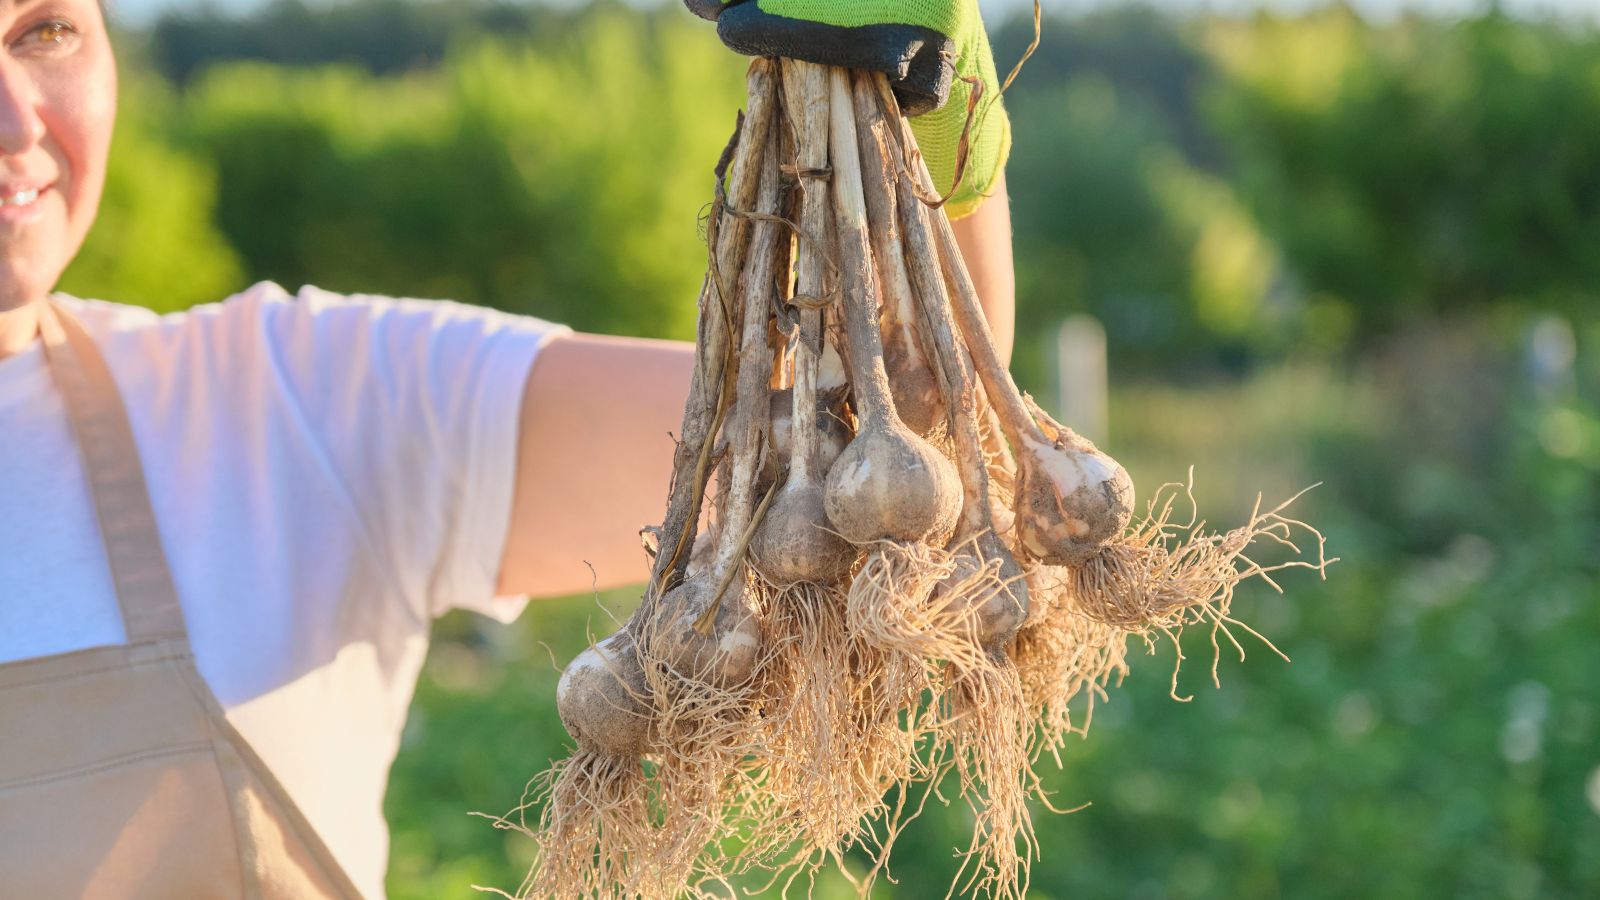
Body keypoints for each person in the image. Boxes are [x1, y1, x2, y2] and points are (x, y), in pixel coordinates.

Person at [0, 0, 1015, 897]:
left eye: (45, 30)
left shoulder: (288, 403)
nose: (12, 120)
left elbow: (890, 437)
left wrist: (936, 123)